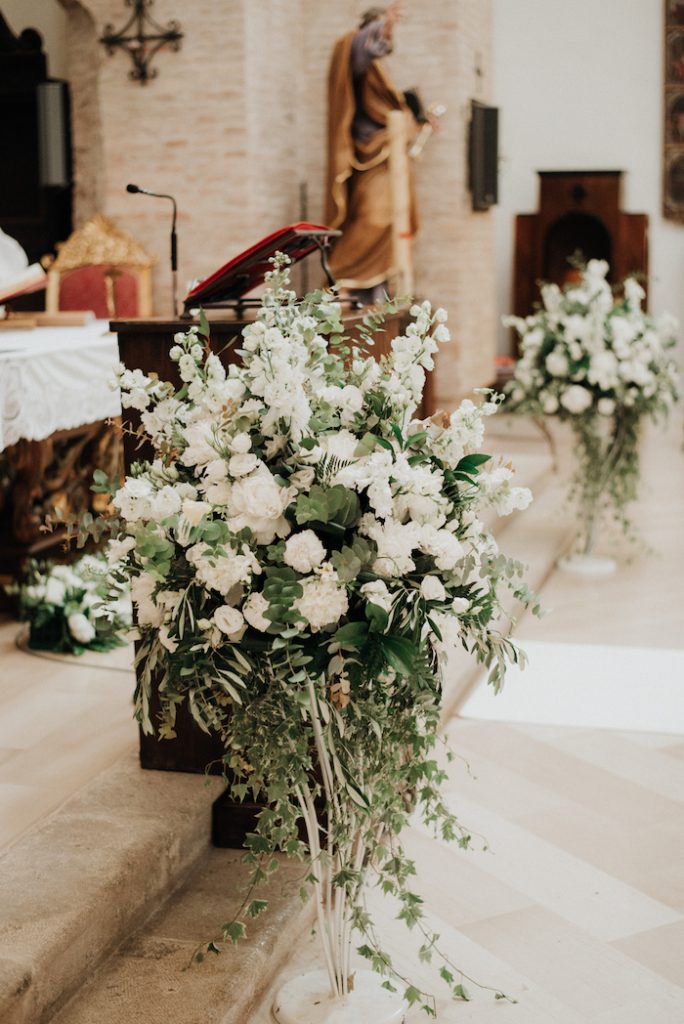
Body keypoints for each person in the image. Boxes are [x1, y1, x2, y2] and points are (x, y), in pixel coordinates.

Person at [325, 4, 419, 304]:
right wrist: (384, 24)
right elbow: (360, 51)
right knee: (373, 217)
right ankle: (342, 274)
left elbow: (391, 106)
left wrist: (417, 120)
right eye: (380, 29)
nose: (387, 36)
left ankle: (373, 288)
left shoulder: (379, 70)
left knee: (394, 219)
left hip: (386, 150)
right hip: (370, 151)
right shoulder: (353, 52)